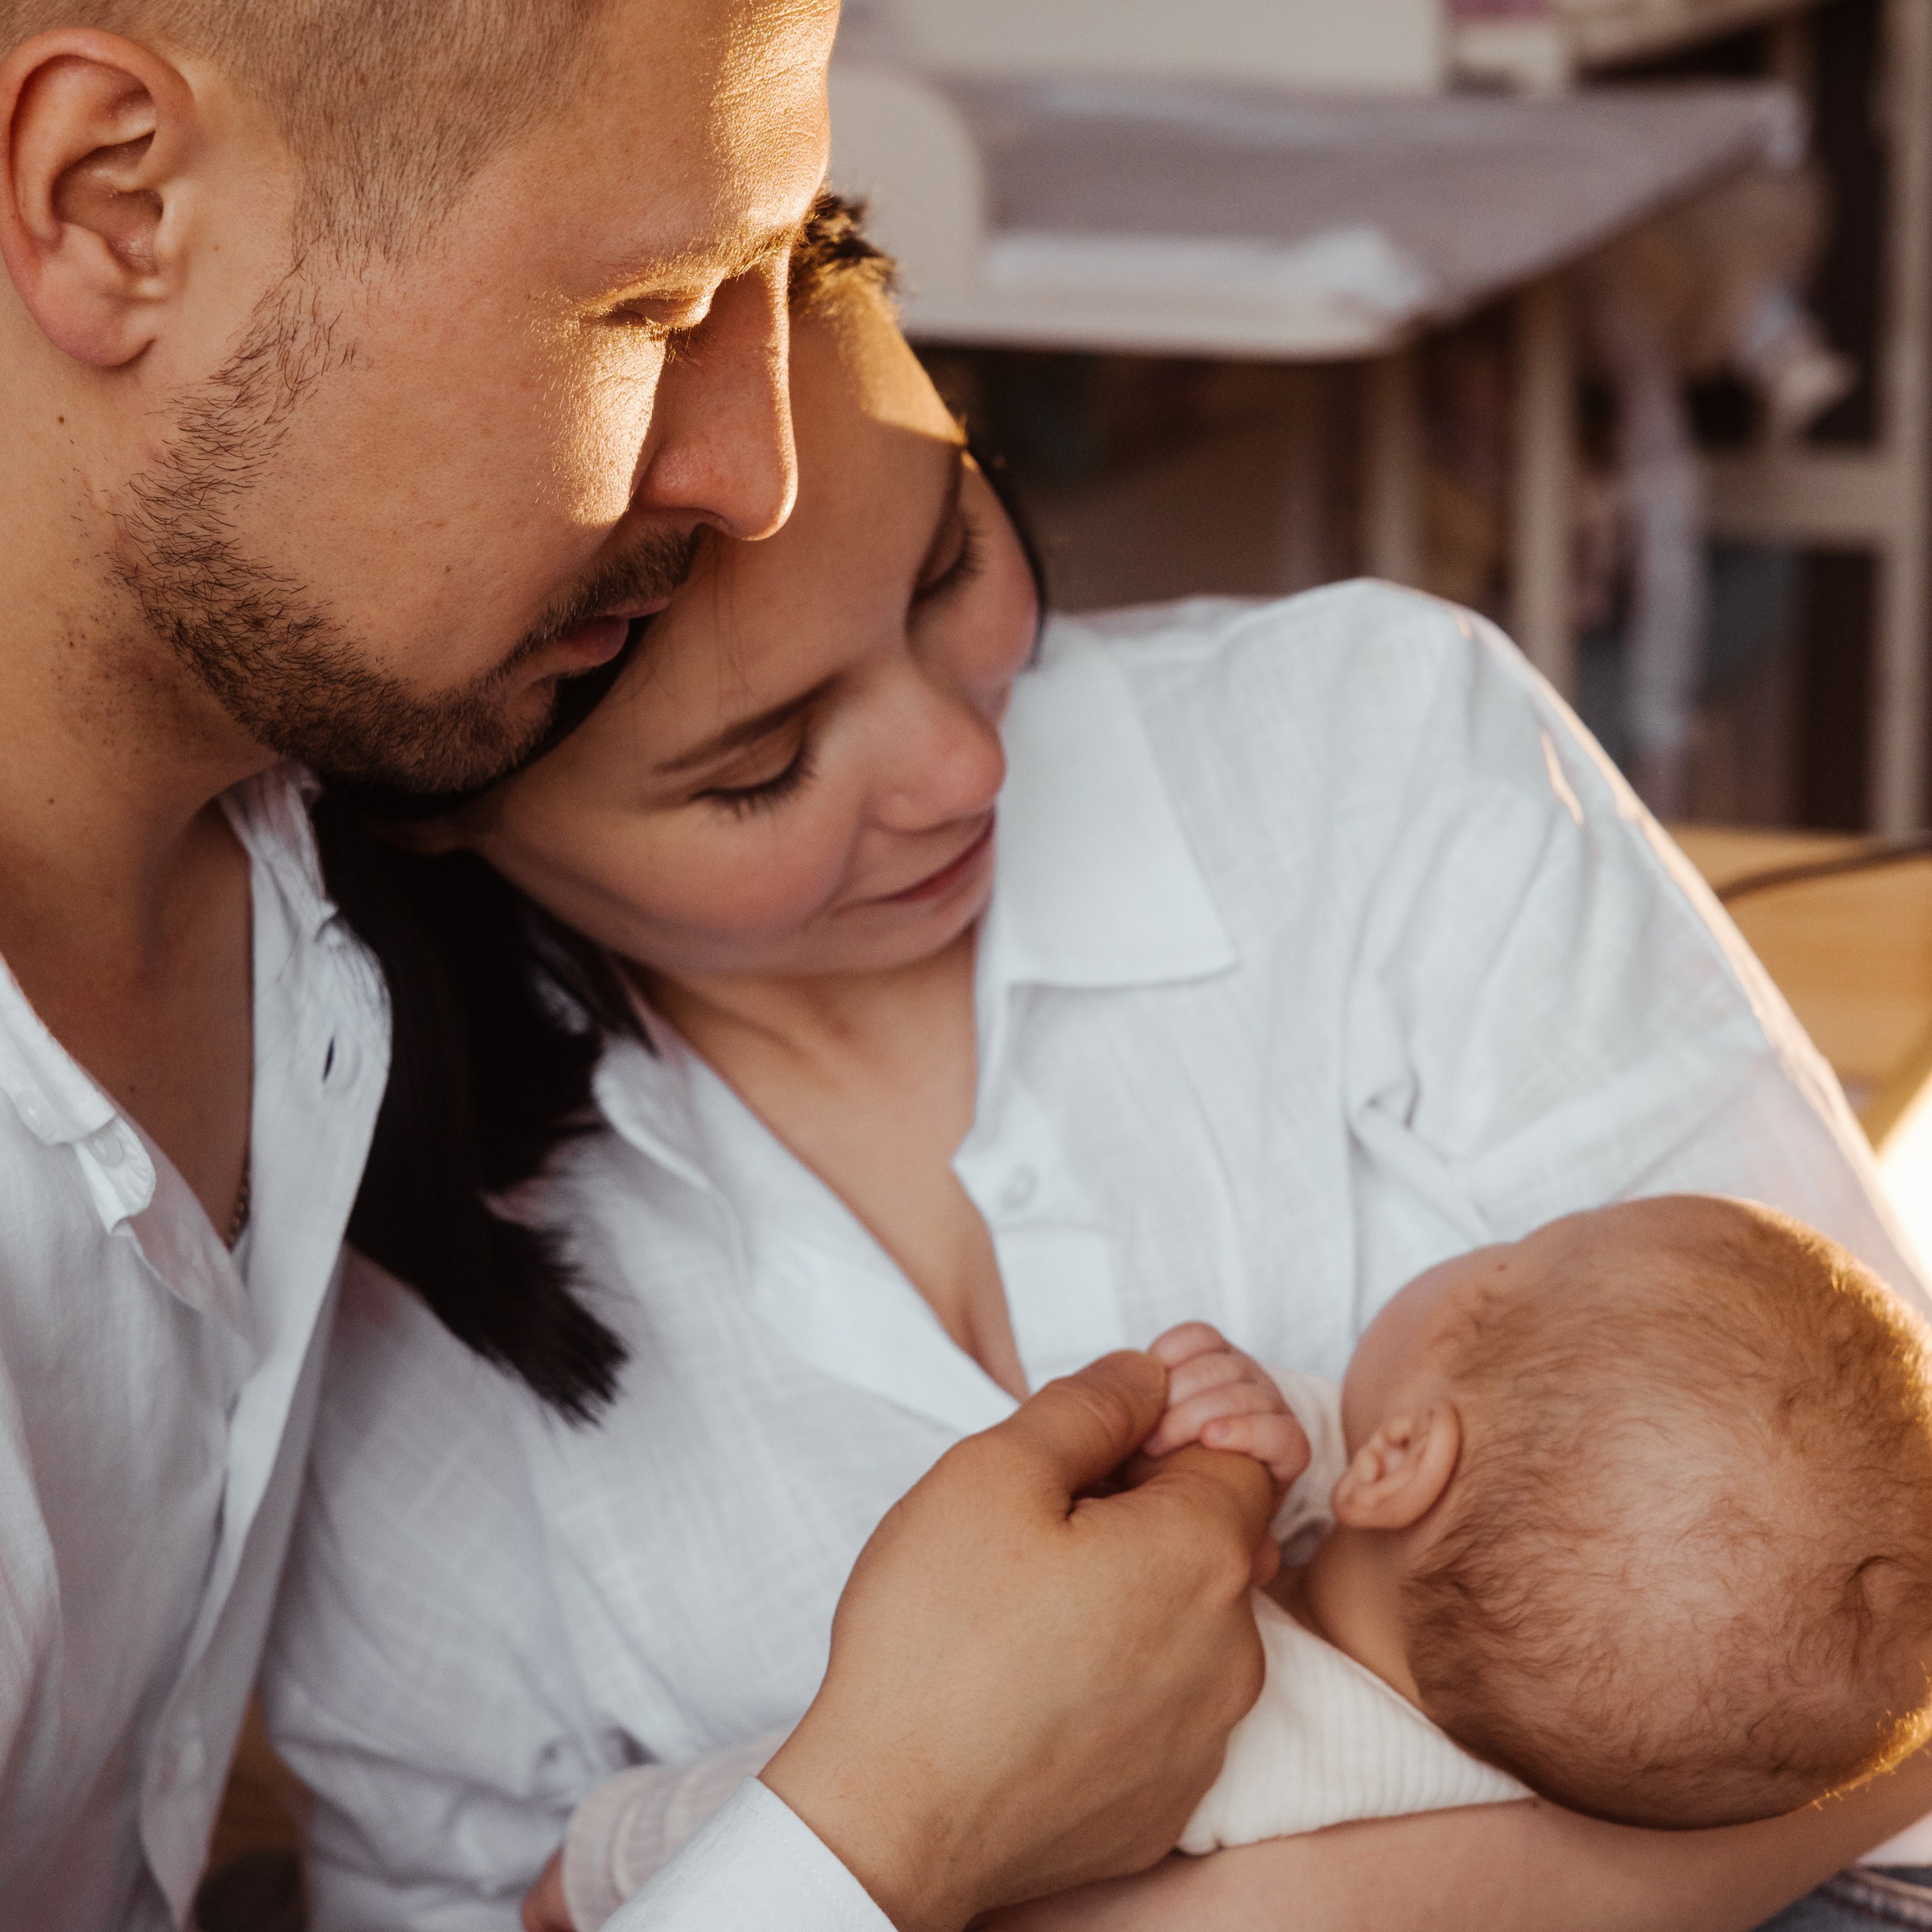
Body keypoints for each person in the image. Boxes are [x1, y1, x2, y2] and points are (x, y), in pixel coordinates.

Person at [268, 206, 1932, 1931]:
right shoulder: (374, 1245)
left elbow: (1873, 1665)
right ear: (443, 798)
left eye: (946, 562)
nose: (961, 755)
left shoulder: (1373, 749)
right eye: (760, 764)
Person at [0, 5, 1281, 1927]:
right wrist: (885, 1827)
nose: (759, 473)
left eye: (779, 266)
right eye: (653, 308)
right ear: (119, 204)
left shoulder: (313, 856)